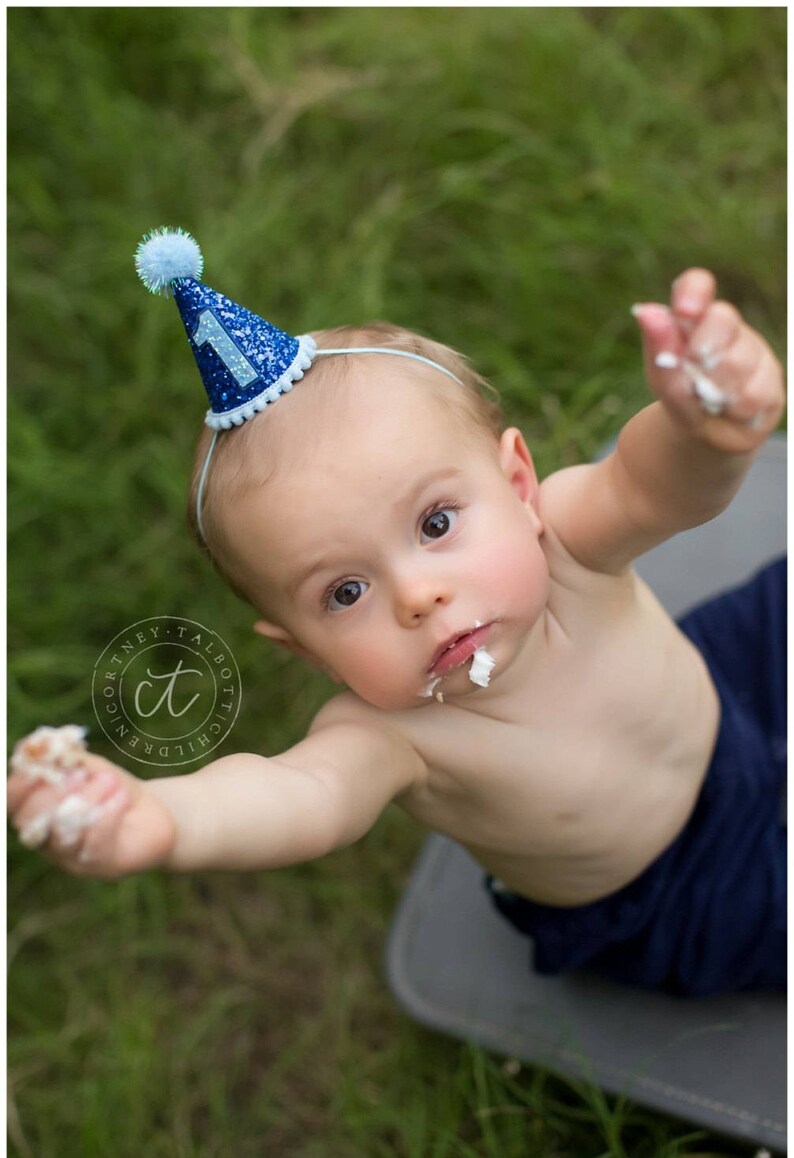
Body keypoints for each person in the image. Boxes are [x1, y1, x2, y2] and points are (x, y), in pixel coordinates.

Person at [8, 229, 786, 997]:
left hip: (722, 702)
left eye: (436, 523)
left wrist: (705, 433)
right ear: (307, 651)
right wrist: (164, 819)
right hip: (683, 889)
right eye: (345, 593)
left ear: (518, 486)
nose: (418, 596)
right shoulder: (389, 736)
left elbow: (651, 488)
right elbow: (298, 797)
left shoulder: (566, 545)